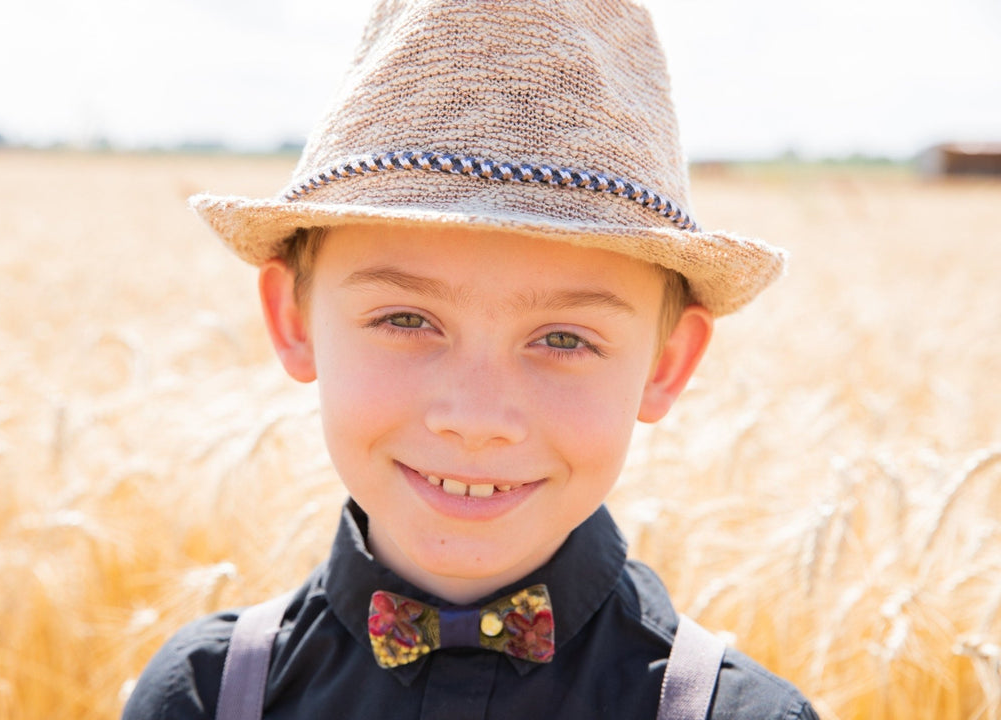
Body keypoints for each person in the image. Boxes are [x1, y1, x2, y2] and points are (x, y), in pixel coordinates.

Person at [122, 1, 819, 718]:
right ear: (293, 319)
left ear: (666, 363)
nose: (477, 418)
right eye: (405, 319)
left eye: (564, 339)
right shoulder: (206, 697)